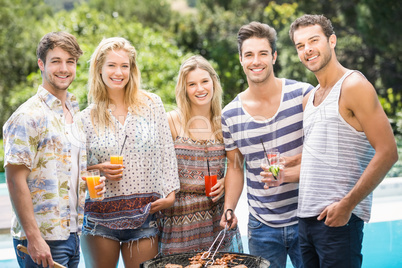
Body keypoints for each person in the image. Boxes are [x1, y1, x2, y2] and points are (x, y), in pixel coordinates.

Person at [289, 14, 398, 267]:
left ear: (332, 40)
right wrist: (292, 162)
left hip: (338, 222)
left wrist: (347, 205)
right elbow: (326, 153)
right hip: (305, 221)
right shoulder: (310, 98)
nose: (307, 50)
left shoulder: (354, 86)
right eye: (300, 45)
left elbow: (388, 152)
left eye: (313, 40)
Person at [3, 32, 106, 268]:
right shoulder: (27, 117)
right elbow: (14, 180)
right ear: (41, 64)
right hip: (43, 240)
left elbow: (65, 168)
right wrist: (34, 238)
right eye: (56, 61)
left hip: (72, 234)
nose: (64, 68)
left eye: (70, 61)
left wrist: (93, 179)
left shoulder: (74, 113)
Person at [79, 37, 180, 268]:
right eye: (112, 65)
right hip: (100, 219)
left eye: (125, 66)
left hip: (145, 215)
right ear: (99, 69)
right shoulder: (85, 118)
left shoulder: (152, 104)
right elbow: (75, 170)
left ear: (132, 69)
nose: (119, 72)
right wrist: (98, 169)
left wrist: (171, 193)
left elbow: (166, 152)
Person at [219, 22, 313, 268]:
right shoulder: (230, 114)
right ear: (241, 59)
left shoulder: (303, 95)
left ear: (274, 56)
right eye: (249, 54)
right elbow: (236, 168)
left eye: (262, 53)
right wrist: (229, 208)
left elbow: (318, 153)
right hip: (262, 227)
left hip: (308, 218)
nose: (256, 61)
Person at [159, 55, 243, 255]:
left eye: (205, 81)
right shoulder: (171, 120)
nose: (200, 89)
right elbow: (157, 167)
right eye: (192, 84)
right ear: (184, 89)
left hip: (216, 216)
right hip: (179, 219)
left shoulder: (225, 122)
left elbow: (237, 166)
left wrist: (225, 181)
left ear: (214, 82)